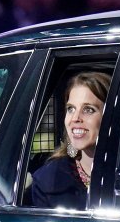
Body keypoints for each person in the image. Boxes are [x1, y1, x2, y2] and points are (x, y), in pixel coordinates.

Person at [29, 70, 110, 209]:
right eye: (71, 109)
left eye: (88, 110)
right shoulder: (49, 181)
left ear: (109, 115)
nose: (75, 118)